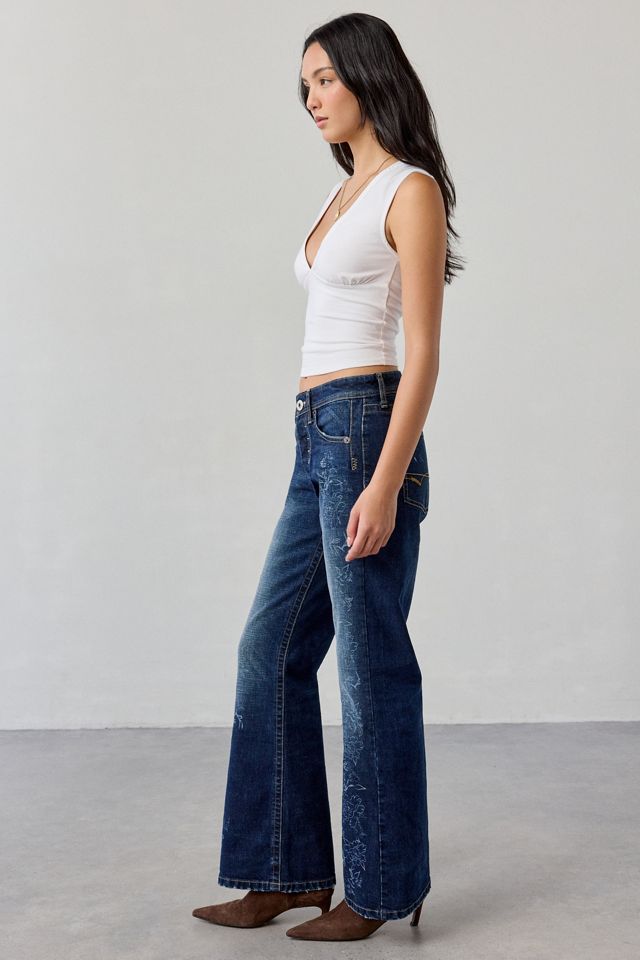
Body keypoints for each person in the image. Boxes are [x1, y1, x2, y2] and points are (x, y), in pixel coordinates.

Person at [192, 11, 463, 943]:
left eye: (324, 79)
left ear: (366, 75)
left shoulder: (409, 189)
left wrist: (383, 484)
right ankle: (283, 870)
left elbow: (424, 354)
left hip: (365, 431)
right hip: (314, 435)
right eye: (304, 84)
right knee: (268, 651)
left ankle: (382, 889)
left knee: (369, 664)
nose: (310, 98)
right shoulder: (341, 191)